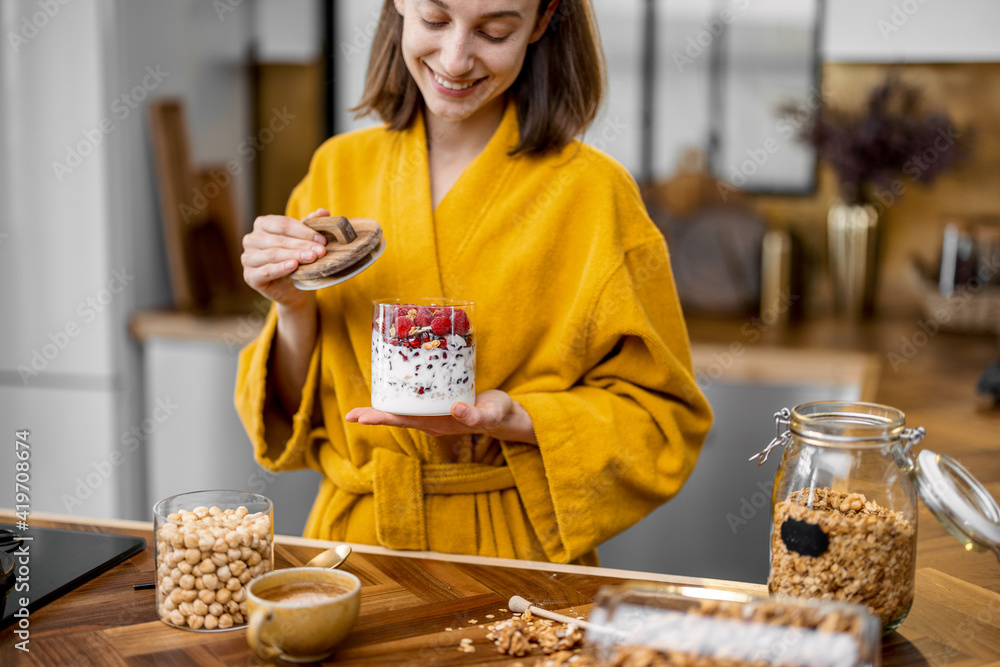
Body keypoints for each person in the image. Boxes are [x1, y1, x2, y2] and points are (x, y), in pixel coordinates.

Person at [235, 0, 712, 565]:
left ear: (541, 21)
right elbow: (295, 408)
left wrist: (519, 418)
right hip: (353, 550)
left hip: (514, 562)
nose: (456, 59)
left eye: (494, 31)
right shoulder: (338, 168)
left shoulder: (595, 194)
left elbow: (662, 423)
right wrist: (292, 308)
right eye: (435, 21)